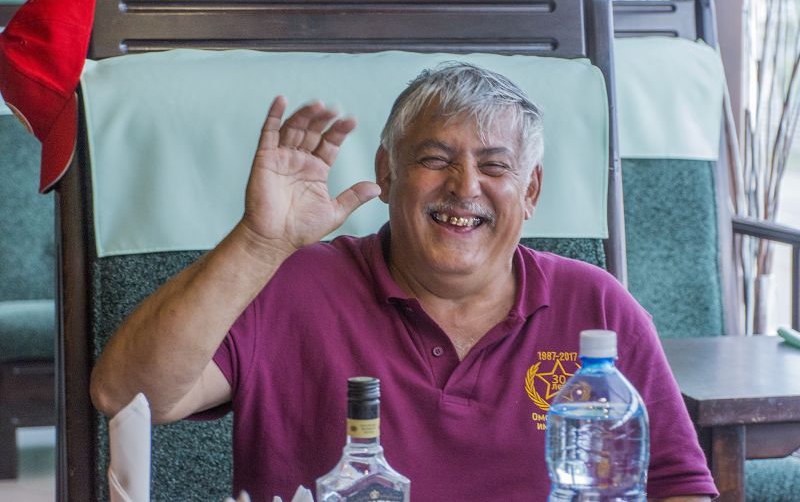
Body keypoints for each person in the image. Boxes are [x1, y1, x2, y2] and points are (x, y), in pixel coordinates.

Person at [91, 63, 717, 501]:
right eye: (435, 160)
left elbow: (680, 487)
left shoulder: (597, 307)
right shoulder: (292, 282)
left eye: (494, 166)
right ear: (386, 174)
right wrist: (258, 243)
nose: (465, 187)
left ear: (530, 191)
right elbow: (125, 395)